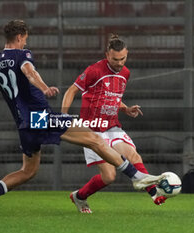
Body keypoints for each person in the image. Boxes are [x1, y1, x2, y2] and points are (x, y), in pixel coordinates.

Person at [0, 20, 166, 216]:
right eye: (25, 39)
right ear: (20, 37)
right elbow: (29, 72)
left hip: (23, 124)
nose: (25, 43)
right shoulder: (22, 55)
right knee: (95, 139)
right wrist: (45, 88)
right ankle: (137, 176)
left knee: (28, 171)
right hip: (41, 117)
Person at [61, 34, 167, 214]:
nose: (119, 63)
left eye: (123, 58)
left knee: (133, 155)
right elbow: (71, 90)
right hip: (92, 129)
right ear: (107, 55)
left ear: (127, 55)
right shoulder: (94, 70)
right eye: (115, 59)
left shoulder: (125, 73)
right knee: (109, 177)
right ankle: (80, 196)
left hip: (112, 126)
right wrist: (63, 115)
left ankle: (154, 193)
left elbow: (112, 97)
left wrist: (125, 109)